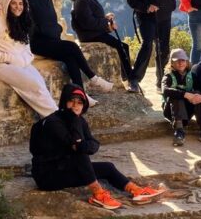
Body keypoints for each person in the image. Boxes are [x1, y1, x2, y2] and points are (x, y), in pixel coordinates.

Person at [30, 84, 167, 210]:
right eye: (72, 101)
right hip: (47, 176)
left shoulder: (79, 120)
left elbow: (94, 143)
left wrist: (82, 140)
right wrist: (78, 133)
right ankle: (98, 194)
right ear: (64, 102)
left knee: (107, 167)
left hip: (65, 167)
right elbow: (75, 144)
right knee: (79, 152)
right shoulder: (54, 122)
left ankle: (136, 191)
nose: (76, 106)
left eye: (80, 102)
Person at [24, 0, 114, 95]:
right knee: (72, 46)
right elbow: (31, 25)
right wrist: (50, 30)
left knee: (70, 58)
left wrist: (57, 29)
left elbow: (52, 22)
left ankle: (80, 94)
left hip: (52, 39)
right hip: (38, 42)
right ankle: (94, 78)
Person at [0, 0, 59, 116]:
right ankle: (56, 118)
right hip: (0, 64)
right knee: (35, 85)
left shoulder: (22, 22)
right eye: (14, 3)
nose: (18, 7)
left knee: (41, 84)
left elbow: (26, 48)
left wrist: (25, 60)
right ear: (7, 3)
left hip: (21, 63)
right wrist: (9, 58)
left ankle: (54, 117)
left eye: (21, 4)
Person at [68, 0, 138, 93]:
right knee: (122, 47)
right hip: (90, 36)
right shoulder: (82, 0)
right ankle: (131, 80)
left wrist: (107, 25)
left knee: (123, 46)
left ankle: (127, 78)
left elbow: (93, 20)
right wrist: (105, 21)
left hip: (93, 33)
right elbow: (88, 23)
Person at [127, 0, 177, 91]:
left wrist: (171, 7)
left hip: (164, 17)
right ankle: (134, 79)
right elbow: (131, 0)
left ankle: (161, 82)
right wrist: (147, 7)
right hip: (146, 17)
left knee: (164, 49)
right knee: (147, 44)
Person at [162, 48, 201, 146]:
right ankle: (179, 130)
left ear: (187, 62)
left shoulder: (192, 76)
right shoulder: (168, 76)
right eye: (176, 61)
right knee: (176, 95)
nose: (180, 63)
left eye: (183, 60)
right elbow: (165, 90)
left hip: (187, 111)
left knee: (197, 94)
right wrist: (185, 94)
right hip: (172, 111)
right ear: (171, 63)